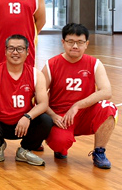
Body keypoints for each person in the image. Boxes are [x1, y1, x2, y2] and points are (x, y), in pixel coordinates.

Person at [41, 23, 116, 169]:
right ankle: (59, 146)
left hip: (85, 113)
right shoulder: (52, 64)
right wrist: (52, 115)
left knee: (108, 108)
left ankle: (99, 152)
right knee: (59, 143)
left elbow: (107, 91)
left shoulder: (95, 64)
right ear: (63, 42)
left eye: (80, 42)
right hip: (61, 117)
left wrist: (77, 105)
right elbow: (39, 96)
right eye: (70, 41)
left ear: (86, 44)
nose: (75, 46)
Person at [0, 34, 53, 166]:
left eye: (20, 49)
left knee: (45, 121)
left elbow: (43, 103)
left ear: (27, 52)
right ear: (5, 51)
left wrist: (28, 117)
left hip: (23, 123)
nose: (15, 52)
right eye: (11, 48)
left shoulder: (36, 74)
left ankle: (24, 151)